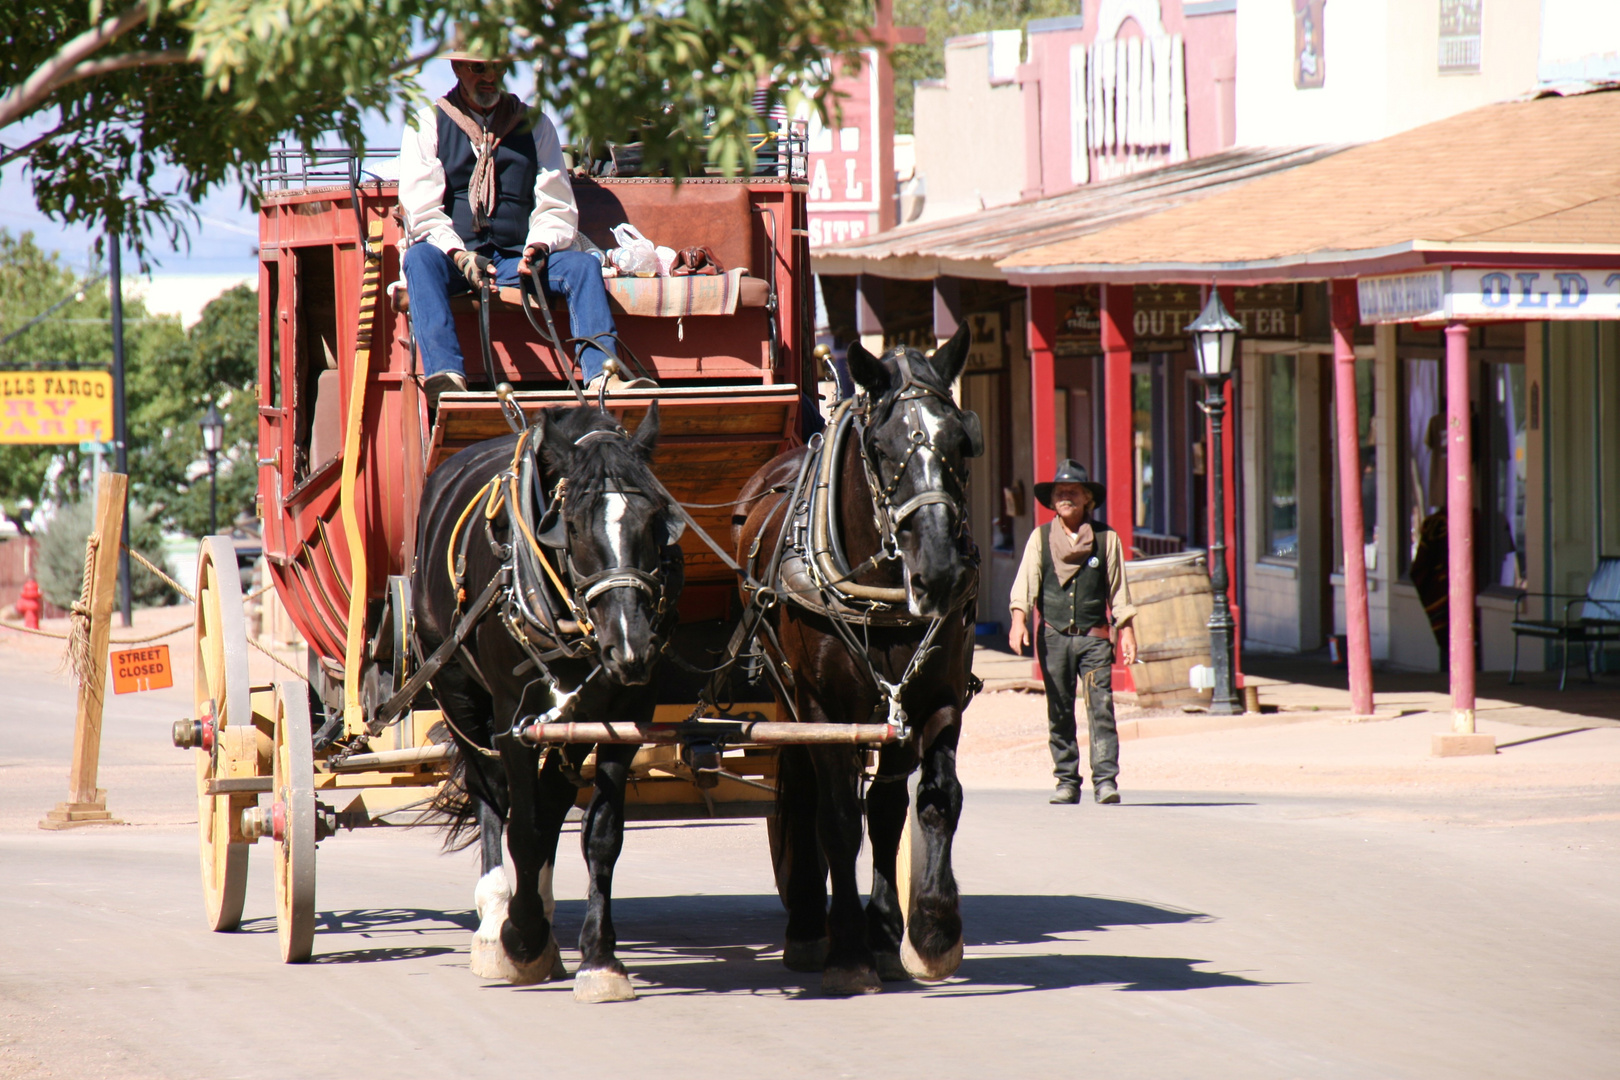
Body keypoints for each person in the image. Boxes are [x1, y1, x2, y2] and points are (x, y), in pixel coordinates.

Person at [397, 39, 654, 404]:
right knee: (419, 260)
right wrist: (459, 255)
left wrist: (539, 246)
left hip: (516, 259)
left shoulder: (535, 125)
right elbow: (422, 210)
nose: (490, 77)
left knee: (581, 267)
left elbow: (556, 202)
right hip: (455, 258)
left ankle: (603, 378)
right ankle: (448, 374)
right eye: (479, 67)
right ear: (457, 68)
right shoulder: (428, 123)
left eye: (498, 67)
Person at [1007, 460, 1138, 805]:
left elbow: (1119, 590)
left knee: (1101, 708)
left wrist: (1126, 630)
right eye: (1059, 492)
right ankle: (1066, 780)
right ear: (1052, 501)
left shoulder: (1107, 539)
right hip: (1053, 637)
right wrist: (1018, 619)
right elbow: (1025, 583)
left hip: (1094, 638)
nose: (1065, 497)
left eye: (1073, 491)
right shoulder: (1040, 539)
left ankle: (1106, 780)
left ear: (1086, 499)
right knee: (1060, 710)